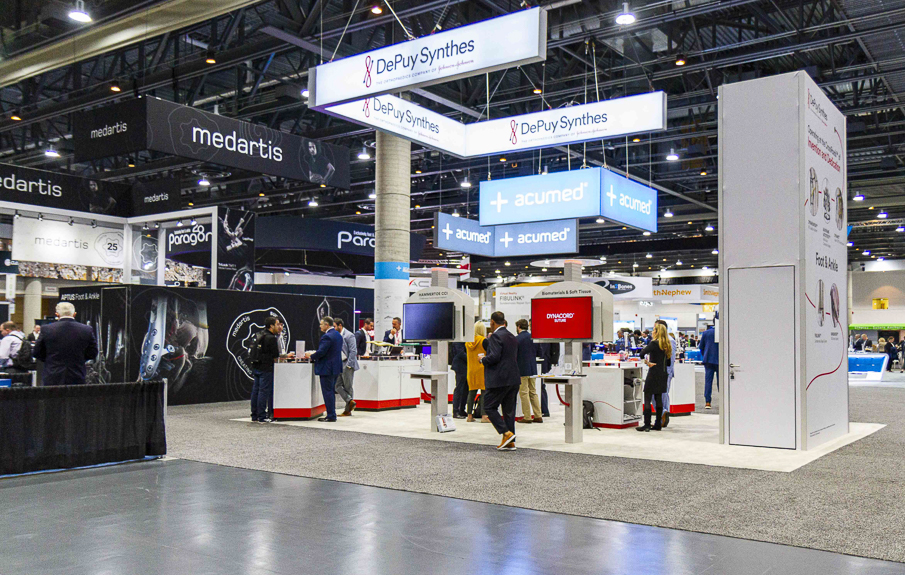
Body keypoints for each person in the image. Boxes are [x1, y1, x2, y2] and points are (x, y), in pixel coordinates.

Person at [481, 311, 521, 450]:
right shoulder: (512, 336)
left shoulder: (496, 336)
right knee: (509, 411)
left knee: (488, 406)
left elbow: (494, 357)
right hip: (513, 378)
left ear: (492, 322)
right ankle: (510, 441)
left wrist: (482, 359)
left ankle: (506, 432)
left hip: (499, 379)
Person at [33, 302, 99, 386]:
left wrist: (50, 360)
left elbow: (37, 352)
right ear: (74, 314)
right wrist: (80, 359)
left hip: (52, 374)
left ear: (57, 314)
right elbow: (93, 352)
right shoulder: (86, 329)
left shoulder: (46, 329)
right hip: (77, 374)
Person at [249, 317, 294, 423]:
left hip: (256, 366)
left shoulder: (260, 334)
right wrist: (286, 356)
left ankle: (254, 415)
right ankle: (262, 416)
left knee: (255, 391)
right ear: (271, 326)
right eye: (277, 324)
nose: (278, 326)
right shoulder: (271, 338)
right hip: (266, 367)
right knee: (263, 391)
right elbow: (275, 355)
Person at [306, 316, 344, 422]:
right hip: (335, 368)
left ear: (327, 325)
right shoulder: (338, 335)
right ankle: (332, 413)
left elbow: (322, 352)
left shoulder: (327, 337)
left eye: (321, 324)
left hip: (327, 369)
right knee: (331, 391)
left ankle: (331, 415)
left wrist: (311, 356)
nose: (320, 326)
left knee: (327, 392)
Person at [637, 324, 672, 432]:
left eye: (653, 330)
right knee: (658, 398)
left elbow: (642, 353)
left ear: (657, 332)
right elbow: (669, 362)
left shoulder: (653, 343)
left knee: (647, 397)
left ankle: (647, 424)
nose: (652, 332)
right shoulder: (667, 345)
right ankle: (658, 424)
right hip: (663, 373)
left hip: (653, 373)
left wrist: (647, 362)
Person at [515, 319, 542, 423]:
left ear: (518, 327)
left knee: (524, 392)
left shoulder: (517, 339)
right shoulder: (533, 338)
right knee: (533, 392)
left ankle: (527, 416)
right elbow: (540, 352)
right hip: (532, 368)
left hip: (522, 368)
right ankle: (538, 415)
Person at [654, 320, 677, 428]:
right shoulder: (658, 339)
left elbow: (670, 360)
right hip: (658, 371)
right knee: (656, 394)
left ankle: (663, 413)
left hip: (665, 372)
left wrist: (666, 373)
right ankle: (662, 413)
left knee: (663, 394)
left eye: (655, 328)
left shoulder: (670, 340)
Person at [334, 318, 359, 416]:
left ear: (340, 325)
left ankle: (347, 411)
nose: (334, 328)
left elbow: (353, 351)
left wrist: (349, 365)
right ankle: (350, 401)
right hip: (339, 363)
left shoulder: (349, 335)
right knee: (337, 385)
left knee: (348, 387)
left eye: (335, 326)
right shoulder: (336, 336)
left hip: (347, 364)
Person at [465, 321, 488, 423]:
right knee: (484, 392)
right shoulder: (484, 341)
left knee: (471, 392)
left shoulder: (467, 342)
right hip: (482, 369)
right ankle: (484, 416)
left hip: (471, 370)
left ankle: (469, 416)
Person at [699, 323, 719, 409]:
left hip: (708, 360)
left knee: (708, 382)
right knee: (721, 382)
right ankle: (723, 401)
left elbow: (701, 347)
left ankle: (707, 402)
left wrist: (705, 356)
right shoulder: (723, 332)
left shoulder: (706, 333)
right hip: (720, 360)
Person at [450, 342, 468, 419]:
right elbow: (461, 353)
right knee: (459, 388)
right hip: (460, 367)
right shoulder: (458, 341)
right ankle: (455, 411)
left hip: (466, 366)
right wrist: (472, 358)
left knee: (466, 389)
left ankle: (461, 410)